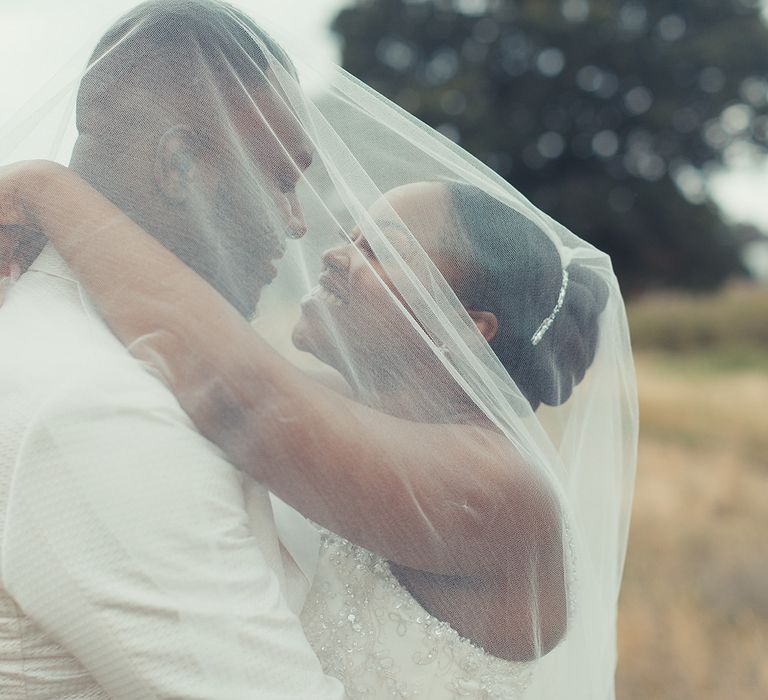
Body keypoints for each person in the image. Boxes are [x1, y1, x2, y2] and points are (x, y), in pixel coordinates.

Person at [0, 1, 638, 697]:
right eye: (352, 231)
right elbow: (214, 354)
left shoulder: (495, 490)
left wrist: (47, 190)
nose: (326, 248)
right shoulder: (345, 411)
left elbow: (243, 392)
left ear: (466, 325)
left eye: (381, 251)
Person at [0, 1, 345, 698]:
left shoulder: (116, 347)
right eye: (281, 180)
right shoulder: (90, 410)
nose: (298, 223)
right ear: (181, 162)